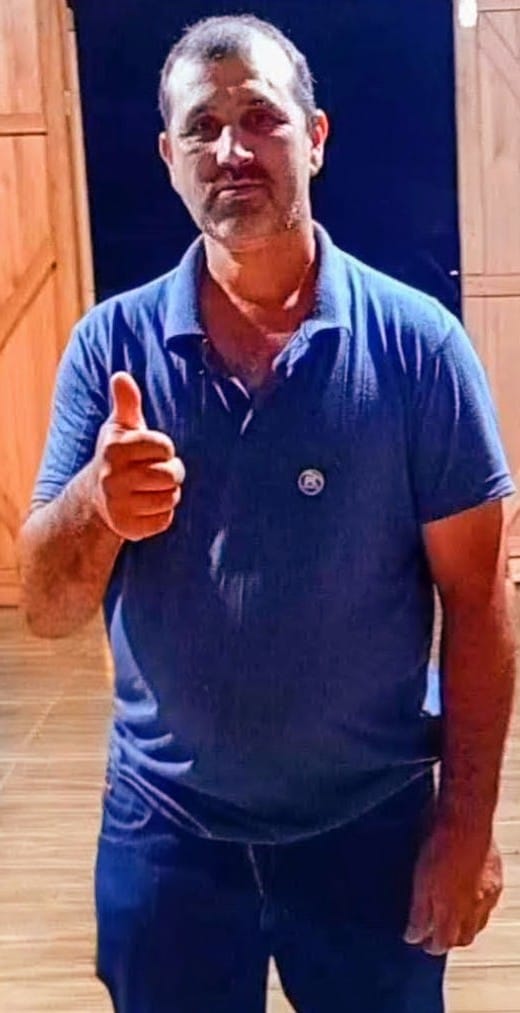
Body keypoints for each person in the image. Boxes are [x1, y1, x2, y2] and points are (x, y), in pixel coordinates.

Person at [18, 13, 516, 1013]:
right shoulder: (109, 350)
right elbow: (48, 608)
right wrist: (96, 505)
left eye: (260, 119)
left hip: (372, 827)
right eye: (201, 128)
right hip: (166, 834)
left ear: (315, 136)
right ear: (168, 156)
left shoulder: (418, 348)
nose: (231, 150)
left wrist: (466, 828)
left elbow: (478, 600)